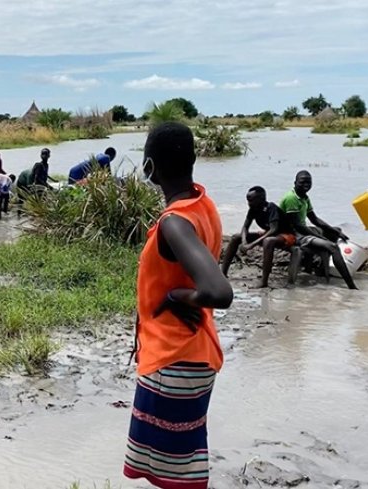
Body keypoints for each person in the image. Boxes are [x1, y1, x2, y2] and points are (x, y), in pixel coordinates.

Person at [124, 122, 233, 489]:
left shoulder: (175, 222)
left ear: (149, 168)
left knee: (172, 477)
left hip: (174, 359)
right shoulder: (203, 204)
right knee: (181, 466)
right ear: (194, 160)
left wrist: (175, 297)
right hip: (196, 353)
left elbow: (219, 291)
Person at [280, 171, 358, 289]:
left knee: (335, 231)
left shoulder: (304, 197)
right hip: (294, 234)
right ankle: (351, 286)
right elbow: (297, 226)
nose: (306, 185)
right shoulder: (292, 198)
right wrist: (320, 237)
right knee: (333, 247)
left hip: (302, 230)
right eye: (302, 182)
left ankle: (319, 269)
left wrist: (336, 232)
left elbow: (314, 219)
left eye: (308, 182)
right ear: (295, 182)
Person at [220, 186, 296, 288]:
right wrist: (244, 241)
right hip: (268, 234)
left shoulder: (271, 208)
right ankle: (222, 273)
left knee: (268, 241)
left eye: (251, 200)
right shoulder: (253, 210)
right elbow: (245, 227)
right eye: (248, 200)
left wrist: (251, 245)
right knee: (235, 237)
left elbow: (273, 229)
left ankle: (264, 281)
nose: (249, 203)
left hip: (285, 235)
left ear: (261, 199)